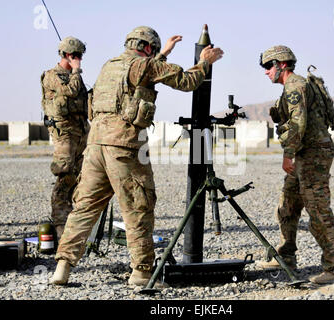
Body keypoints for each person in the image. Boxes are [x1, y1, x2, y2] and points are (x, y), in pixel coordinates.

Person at [50, 26, 224, 287]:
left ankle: (62, 267)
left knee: (85, 208)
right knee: (138, 207)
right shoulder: (143, 65)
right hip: (125, 149)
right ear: (146, 48)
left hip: (95, 147)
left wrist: (163, 52)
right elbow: (187, 82)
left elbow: (138, 77)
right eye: (153, 51)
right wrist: (204, 62)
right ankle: (142, 273)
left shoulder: (110, 65)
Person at [258, 45, 334, 284]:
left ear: (281, 64)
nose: (265, 72)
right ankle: (286, 256)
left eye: (268, 66)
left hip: (313, 155)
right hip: (305, 153)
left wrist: (288, 154)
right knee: (288, 203)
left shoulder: (296, 86)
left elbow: (297, 124)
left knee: (317, 209)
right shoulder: (292, 86)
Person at [41, 37, 90, 241]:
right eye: (76, 56)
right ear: (67, 55)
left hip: (80, 131)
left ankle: (74, 222)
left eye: (80, 56)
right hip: (64, 133)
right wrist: (77, 71)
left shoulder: (73, 77)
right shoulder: (53, 76)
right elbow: (69, 91)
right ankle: (60, 224)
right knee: (65, 174)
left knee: (80, 175)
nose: (79, 60)